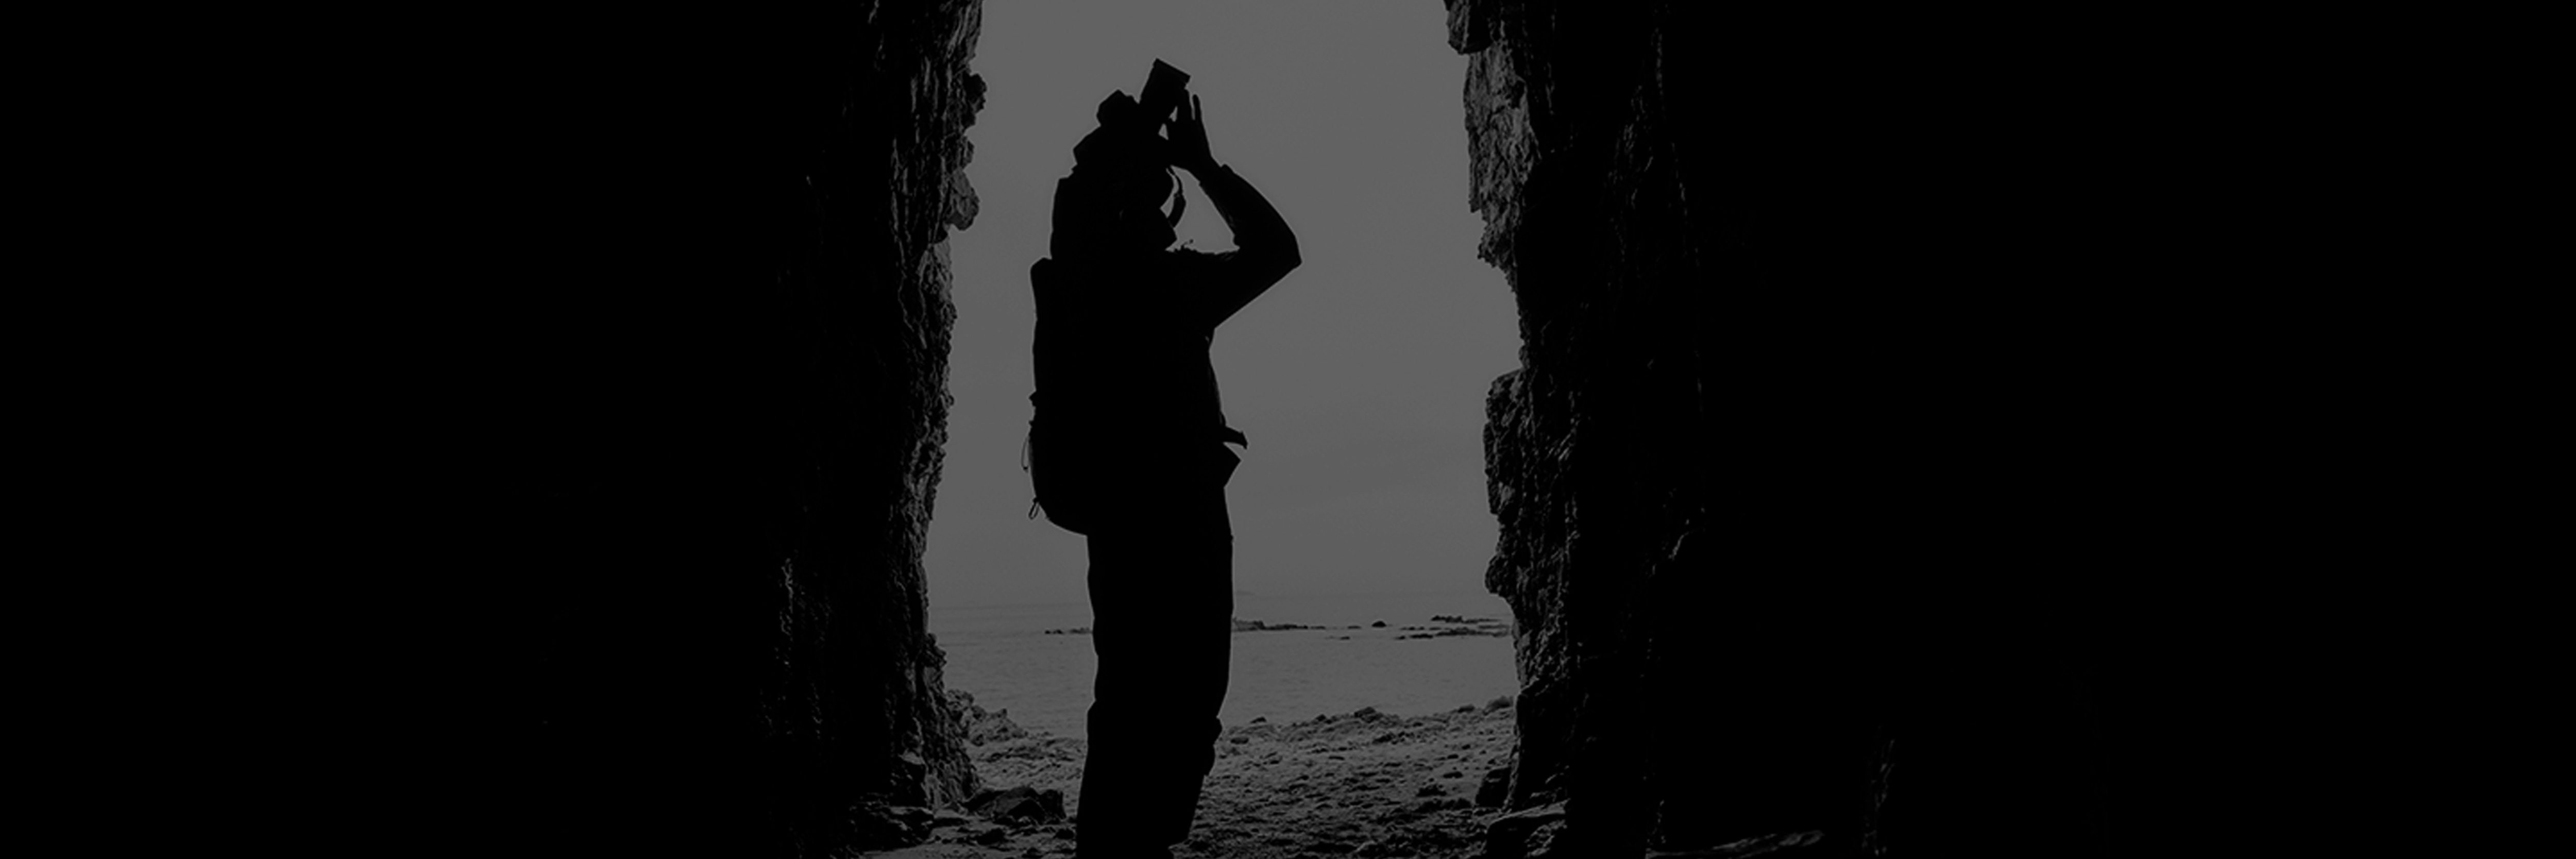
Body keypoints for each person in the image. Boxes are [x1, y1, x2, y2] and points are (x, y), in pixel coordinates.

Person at [1028, 79, 1300, 858]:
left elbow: (1082, 218)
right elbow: (1277, 251)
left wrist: (1134, 148)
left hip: (1115, 513)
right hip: (1178, 508)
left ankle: (1116, 848)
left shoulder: (1072, 282)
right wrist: (1204, 166)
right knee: (1185, 695)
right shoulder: (1169, 286)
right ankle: (1136, 846)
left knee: (1126, 693)